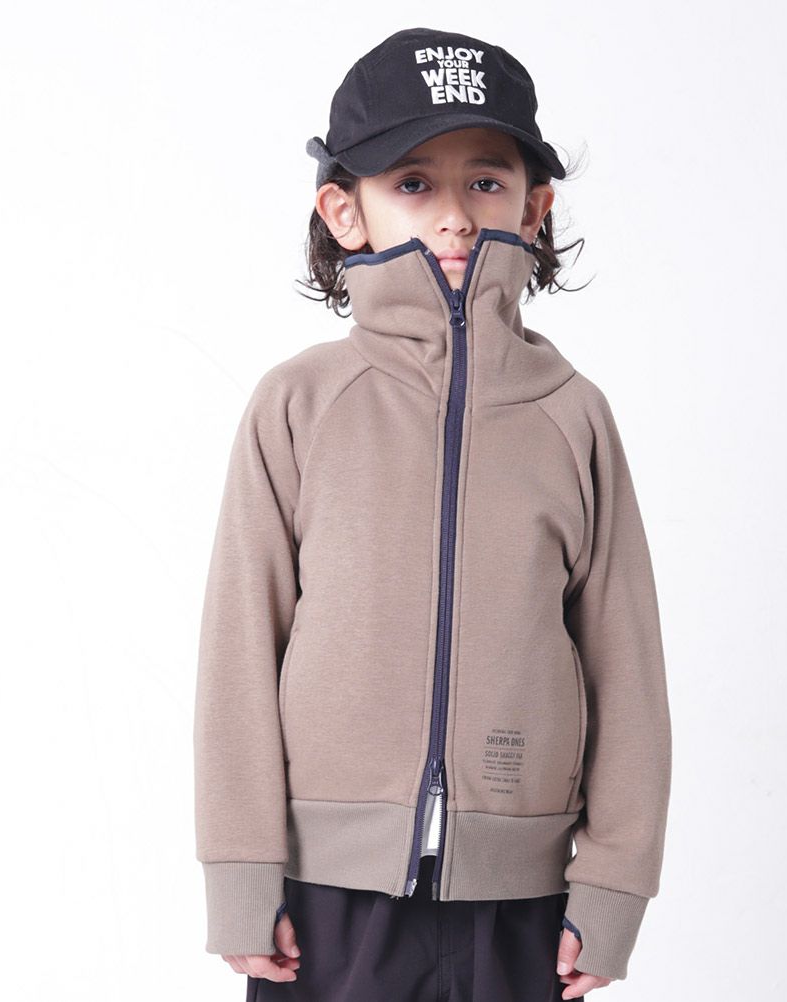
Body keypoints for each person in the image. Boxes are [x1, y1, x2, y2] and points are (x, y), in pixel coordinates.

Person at [193, 25, 672, 1002]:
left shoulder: (572, 416)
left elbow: (626, 667)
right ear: (345, 211)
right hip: (324, 901)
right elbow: (240, 647)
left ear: (534, 208)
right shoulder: (299, 404)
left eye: (485, 181)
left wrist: (615, 884)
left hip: (522, 905)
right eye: (413, 183)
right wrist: (240, 873)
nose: (454, 217)